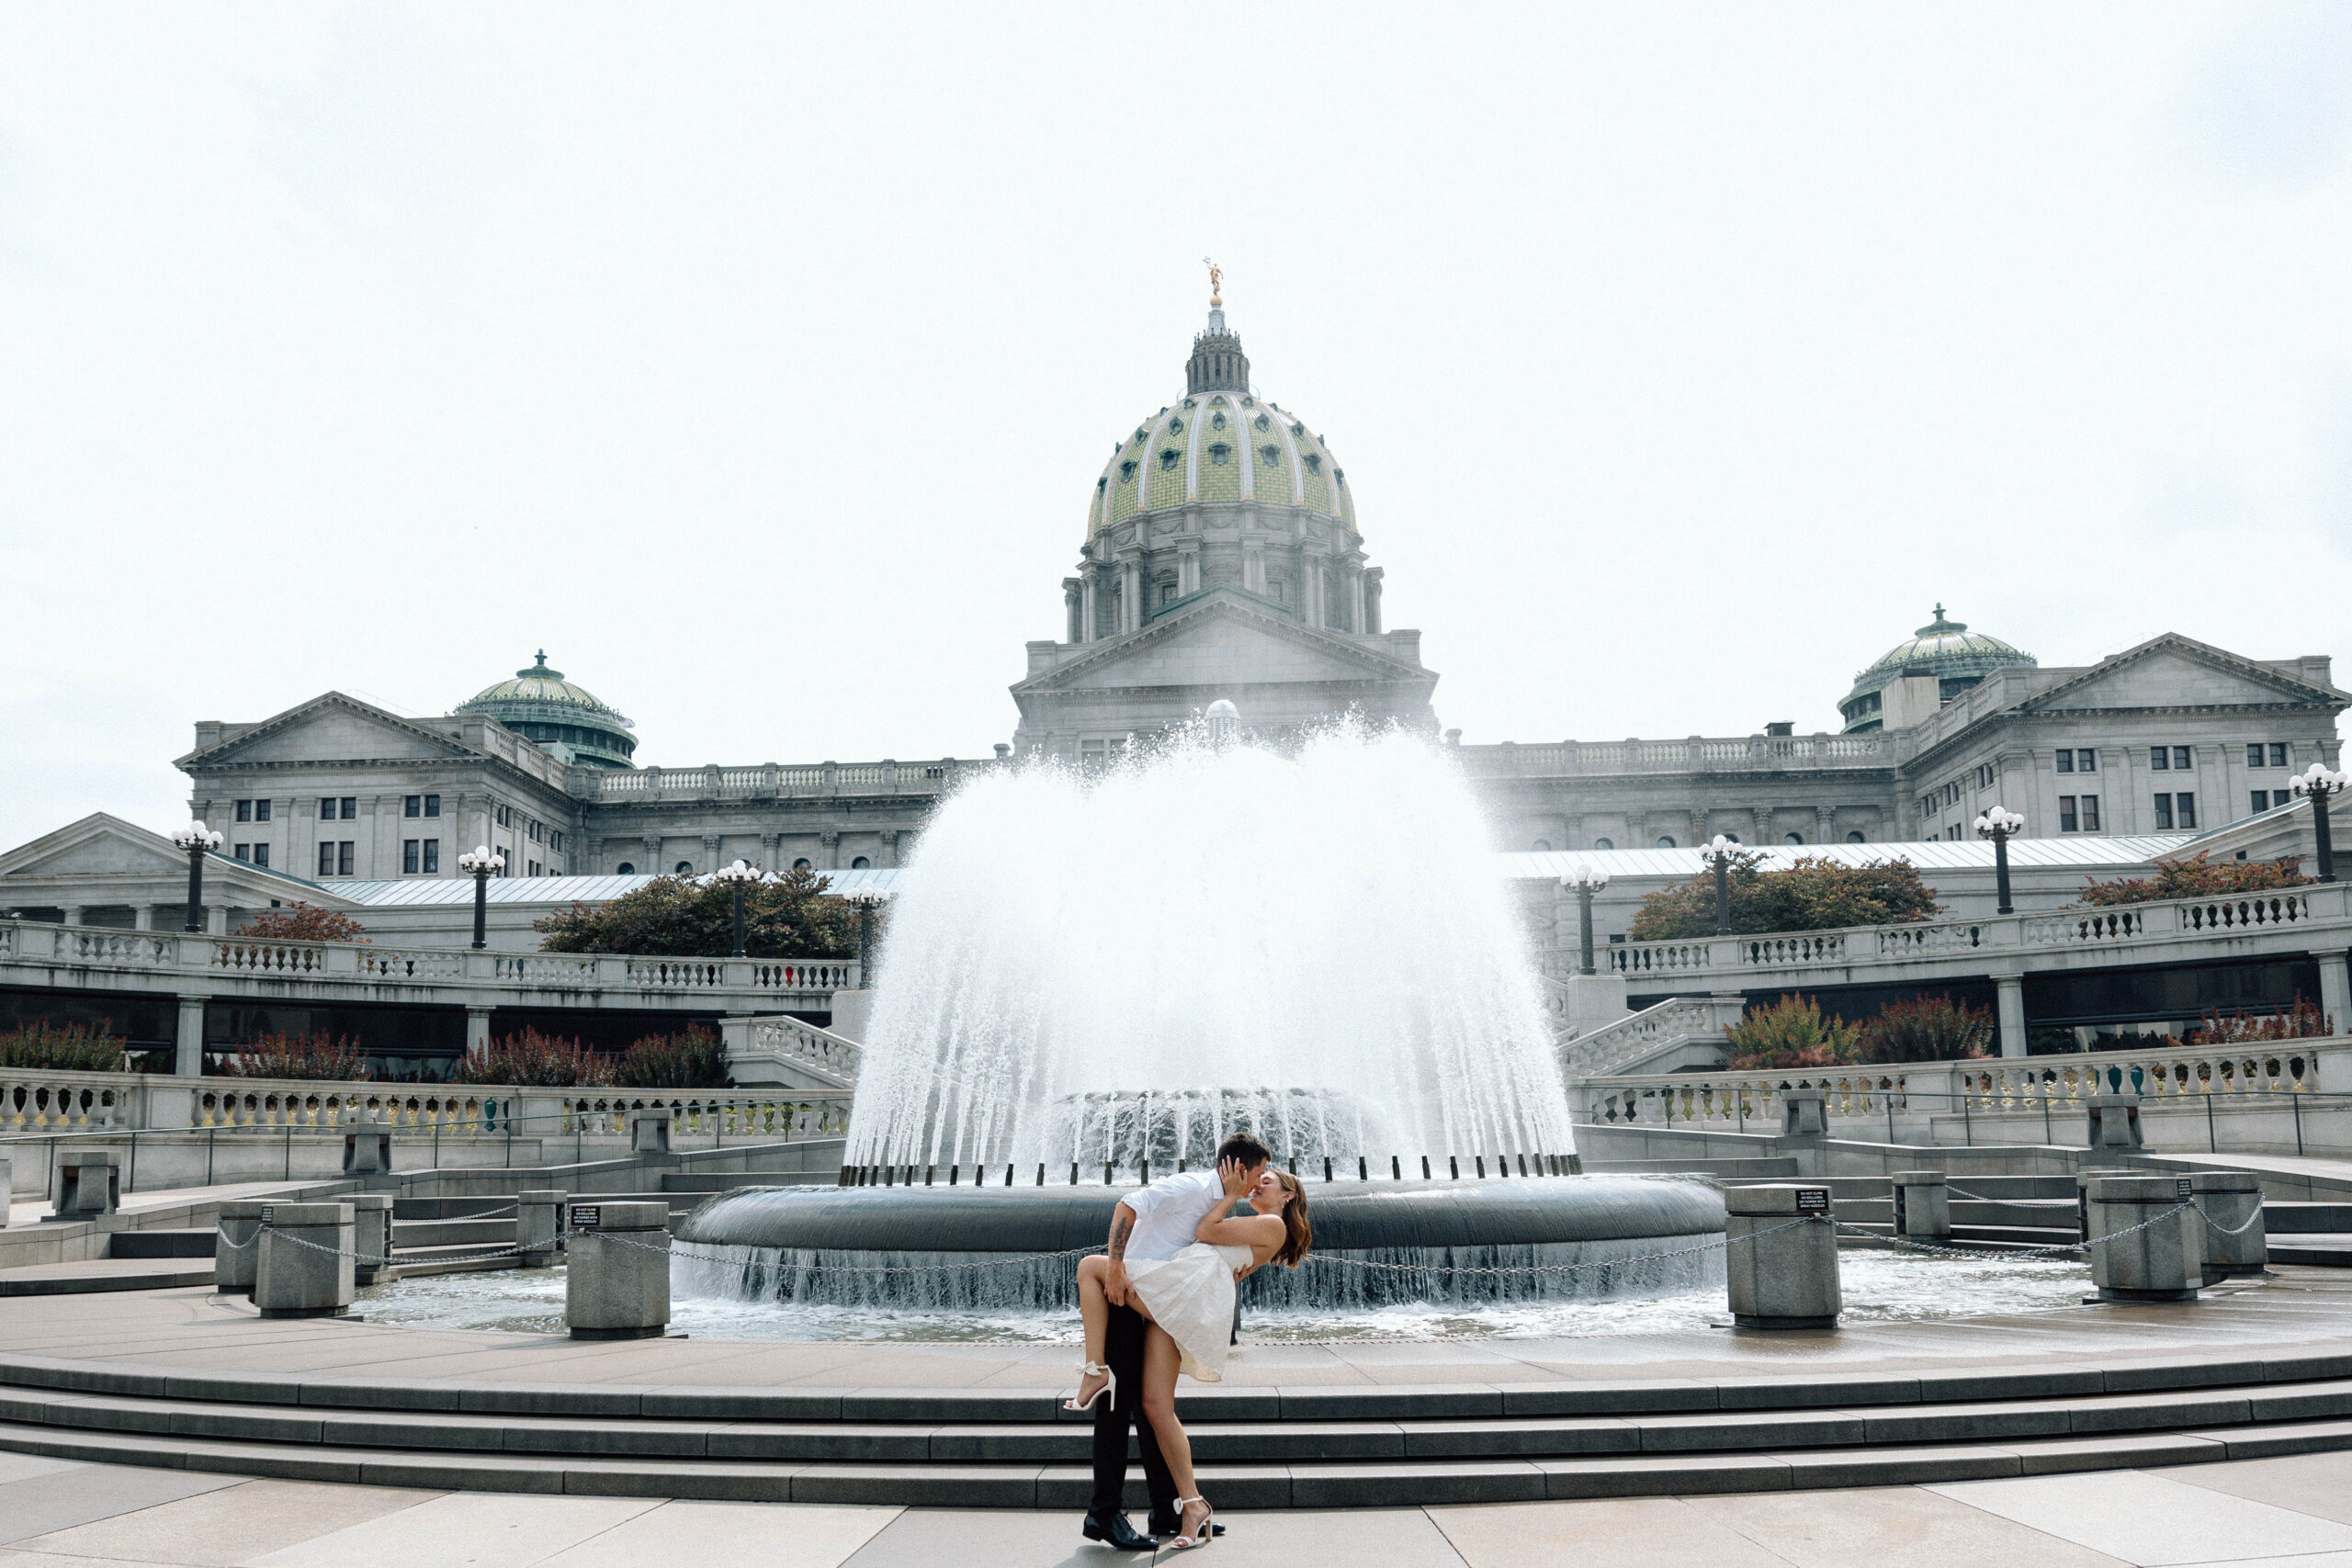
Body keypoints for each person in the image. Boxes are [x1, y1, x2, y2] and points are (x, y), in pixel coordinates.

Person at [1069, 1145, 1313, 1551]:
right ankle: (1189, 1504)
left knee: (1089, 1269)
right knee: (1154, 1407)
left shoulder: (1272, 1225)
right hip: (1182, 1293)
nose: (1257, 1185)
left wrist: (1232, 1197)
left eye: (1267, 1181)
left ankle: (1094, 1369)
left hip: (1183, 1295)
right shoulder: (1224, 1205)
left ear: (1288, 1195)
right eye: (1259, 1176)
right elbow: (1216, 1247)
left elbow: (1205, 1233)